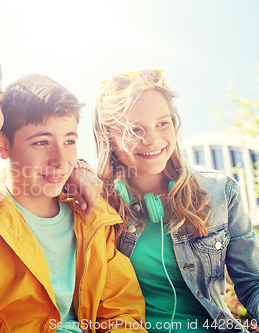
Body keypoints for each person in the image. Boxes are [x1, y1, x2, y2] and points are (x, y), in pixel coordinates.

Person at [0, 74, 147, 333]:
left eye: (69, 142)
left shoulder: (94, 217)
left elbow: (124, 316)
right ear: (3, 145)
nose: (60, 160)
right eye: (42, 142)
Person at [93, 69, 259, 332]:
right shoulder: (95, 203)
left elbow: (253, 282)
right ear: (108, 138)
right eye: (134, 129)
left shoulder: (221, 191)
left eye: (162, 123)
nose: (153, 140)